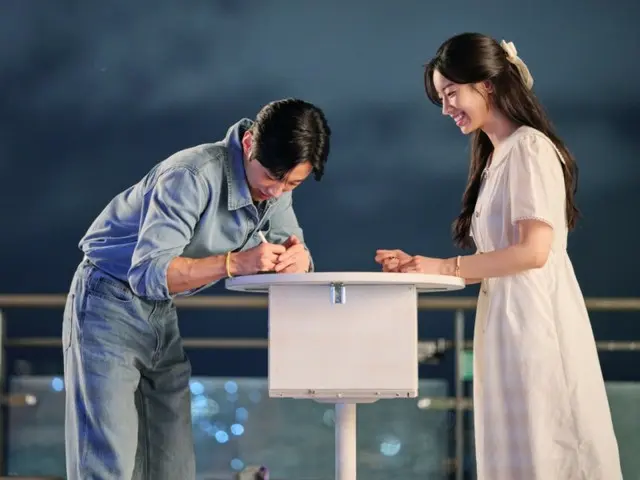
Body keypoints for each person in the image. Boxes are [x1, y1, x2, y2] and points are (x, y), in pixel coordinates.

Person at [375, 33, 622, 479]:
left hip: (535, 322)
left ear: (486, 84)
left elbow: (533, 251)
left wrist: (443, 267)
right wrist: (422, 267)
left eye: (451, 94)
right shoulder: (498, 156)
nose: (446, 108)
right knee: (520, 449)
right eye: (442, 98)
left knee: (548, 444)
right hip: (508, 320)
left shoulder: (529, 147)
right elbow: (499, 255)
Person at [62, 98, 331, 480]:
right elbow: (148, 273)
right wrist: (235, 263)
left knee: (173, 466)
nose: (278, 191)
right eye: (274, 177)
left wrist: (299, 260)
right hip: (108, 301)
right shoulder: (189, 176)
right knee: (109, 463)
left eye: (293, 183)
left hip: (162, 312)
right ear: (250, 142)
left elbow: (293, 245)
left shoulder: (277, 181)